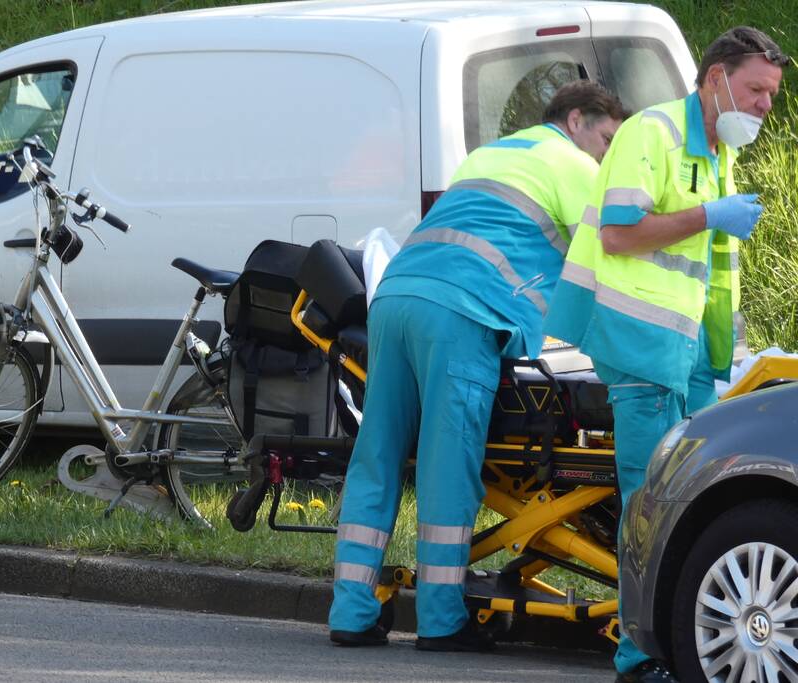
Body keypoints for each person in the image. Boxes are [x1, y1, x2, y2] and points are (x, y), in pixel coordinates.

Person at [328, 81, 627, 651]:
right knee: (448, 462)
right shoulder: (575, 166)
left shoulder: (491, 155)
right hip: (460, 312)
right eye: (606, 138)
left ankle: (350, 611)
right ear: (575, 120)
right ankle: (441, 621)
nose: (607, 155)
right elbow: (608, 260)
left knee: (379, 456)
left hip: (393, 300)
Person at [543, 27, 789, 683]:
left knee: (695, 502)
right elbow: (621, 234)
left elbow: (709, 277)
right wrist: (709, 215)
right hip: (640, 347)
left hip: (684, 357)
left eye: (772, 95)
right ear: (715, 79)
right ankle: (636, 656)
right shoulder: (652, 135)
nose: (767, 106)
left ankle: (673, 635)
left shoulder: (713, 155)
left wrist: (722, 360)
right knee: (646, 505)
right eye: (757, 90)